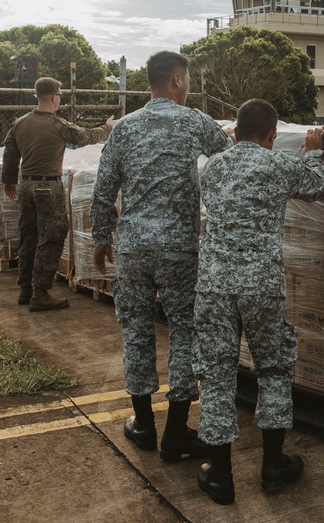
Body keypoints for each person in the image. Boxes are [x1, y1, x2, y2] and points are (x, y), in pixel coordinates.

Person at [90, 51, 231, 462]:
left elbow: (104, 187)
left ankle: (143, 426)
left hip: (132, 248)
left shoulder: (125, 128)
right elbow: (229, 161)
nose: (187, 86)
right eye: (186, 79)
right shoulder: (195, 122)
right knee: (185, 333)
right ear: (175, 80)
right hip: (179, 250)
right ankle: (175, 431)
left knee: (136, 332)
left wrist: (102, 238)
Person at [195, 100, 324, 506]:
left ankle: (220, 477)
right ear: (272, 135)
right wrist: (311, 151)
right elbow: (318, 185)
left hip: (214, 285)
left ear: (235, 132)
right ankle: (273, 465)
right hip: (261, 286)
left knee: (217, 374)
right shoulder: (276, 166)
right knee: (273, 369)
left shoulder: (213, 167)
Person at [2, 77, 114, 311]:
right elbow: (85, 136)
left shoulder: (19, 123)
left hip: (25, 185)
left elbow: (10, 154)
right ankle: (41, 292)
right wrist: (108, 127)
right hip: (48, 187)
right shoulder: (57, 124)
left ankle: (25, 288)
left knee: (28, 235)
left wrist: (9, 180)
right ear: (54, 97)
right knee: (52, 236)